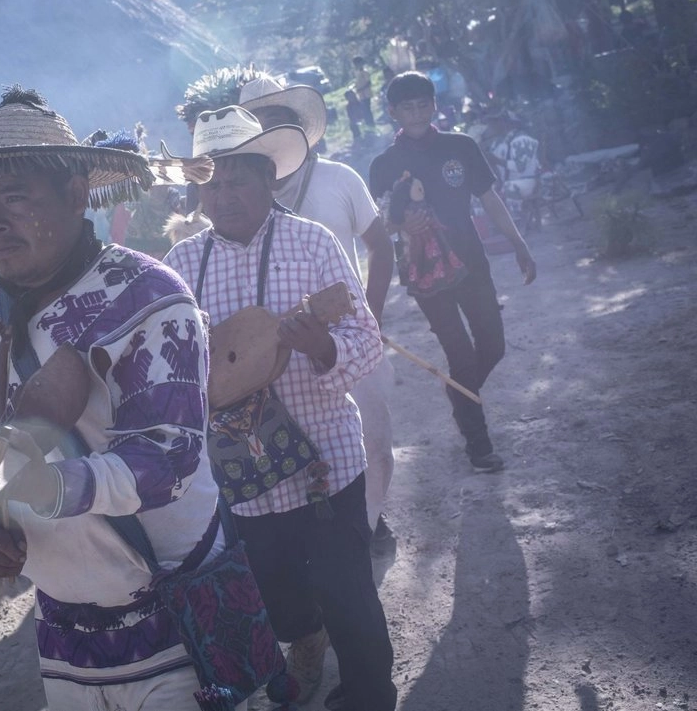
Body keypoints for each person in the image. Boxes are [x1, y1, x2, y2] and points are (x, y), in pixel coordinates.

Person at [0, 87, 225, 709]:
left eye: (15, 197)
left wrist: (38, 490)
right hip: (63, 628)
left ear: (76, 194)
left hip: (176, 610)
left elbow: (169, 459)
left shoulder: (148, 296)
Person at [164, 106, 396, 711]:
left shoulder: (311, 243)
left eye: (238, 178)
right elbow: (166, 372)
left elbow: (368, 344)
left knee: (350, 596)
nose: (224, 194)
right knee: (279, 598)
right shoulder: (180, 269)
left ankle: (371, 695)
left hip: (325, 464)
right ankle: (305, 636)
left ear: (270, 179)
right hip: (242, 480)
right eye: (211, 182)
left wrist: (320, 346)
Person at [238, 75, 399, 561]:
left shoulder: (339, 178)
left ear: (297, 128)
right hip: (274, 354)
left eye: (279, 120)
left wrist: (369, 320)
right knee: (291, 452)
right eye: (259, 122)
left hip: (347, 343)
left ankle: (365, 529)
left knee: (375, 445)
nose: (271, 131)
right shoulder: (236, 196)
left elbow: (381, 248)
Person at [369, 72, 536, 473]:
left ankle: (460, 394)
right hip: (424, 273)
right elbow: (377, 224)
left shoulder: (460, 146)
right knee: (459, 354)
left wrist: (518, 242)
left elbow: (489, 197)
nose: (416, 112)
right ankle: (479, 445)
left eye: (423, 104)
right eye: (407, 107)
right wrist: (401, 226)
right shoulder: (384, 164)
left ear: (434, 105)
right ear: (393, 112)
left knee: (493, 346)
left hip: (472, 264)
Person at [352, 56, 376, 128]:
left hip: (366, 94)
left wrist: (361, 89)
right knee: (365, 111)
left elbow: (368, 83)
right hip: (361, 95)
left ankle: (371, 124)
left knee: (367, 110)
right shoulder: (357, 73)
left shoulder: (365, 72)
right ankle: (369, 124)